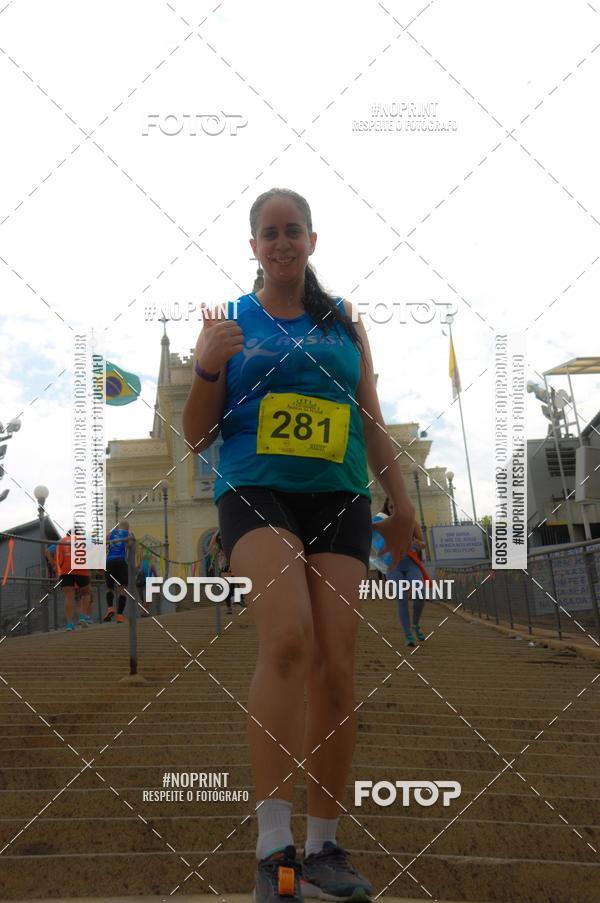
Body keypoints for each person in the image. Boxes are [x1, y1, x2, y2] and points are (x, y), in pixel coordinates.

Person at [182, 188, 422, 902]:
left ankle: (323, 846)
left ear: (312, 241)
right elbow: (196, 436)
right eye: (269, 233)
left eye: (293, 231)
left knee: (335, 661)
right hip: (257, 487)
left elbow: (370, 418)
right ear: (254, 247)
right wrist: (205, 367)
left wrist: (402, 500)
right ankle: (273, 849)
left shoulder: (343, 320)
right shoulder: (230, 322)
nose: (282, 242)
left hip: (340, 493)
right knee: (288, 638)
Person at [378, 497, 431, 647]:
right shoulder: (383, 525)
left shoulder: (411, 523)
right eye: (391, 507)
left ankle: (415, 624)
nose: (393, 510)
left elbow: (423, 544)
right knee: (401, 598)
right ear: (387, 509)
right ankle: (408, 635)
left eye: (396, 506)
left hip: (411, 563)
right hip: (394, 566)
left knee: (420, 593)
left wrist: (416, 543)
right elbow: (377, 547)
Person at [55, 530, 92, 631]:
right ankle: (83, 616)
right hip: (81, 570)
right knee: (86, 593)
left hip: (66, 570)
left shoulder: (62, 541)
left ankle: (69, 624)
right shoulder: (84, 540)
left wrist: (59, 572)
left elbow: (58, 559)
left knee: (68, 597)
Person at [104, 520, 134, 623]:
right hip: (121, 561)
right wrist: (130, 540)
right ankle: (120, 616)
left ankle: (110, 608)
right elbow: (129, 545)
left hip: (110, 561)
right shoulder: (128, 534)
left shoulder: (111, 533)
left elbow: (104, 542)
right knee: (123, 589)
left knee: (109, 588)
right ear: (127, 528)